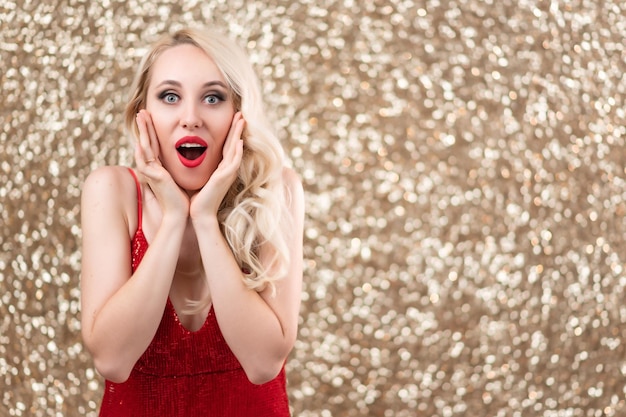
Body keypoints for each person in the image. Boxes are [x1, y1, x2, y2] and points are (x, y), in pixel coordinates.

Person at [80, 27, 304, 416]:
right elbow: (113, 361)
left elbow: (263, 363)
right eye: (170, 96)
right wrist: (171, 221)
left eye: (213, 98)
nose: (190, 118)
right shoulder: (111, 191)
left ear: (239, 115)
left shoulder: (276, 190)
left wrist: (203, 217)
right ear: (142, 114)